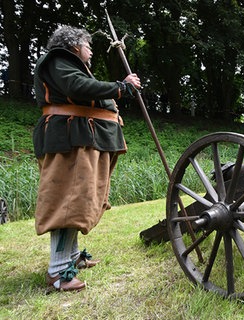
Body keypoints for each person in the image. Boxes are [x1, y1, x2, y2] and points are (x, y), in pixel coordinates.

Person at [32, 25, 141, 292]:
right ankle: (58, 272)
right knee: (67, 200)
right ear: (73, 45)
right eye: (87, 44)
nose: (90, 49)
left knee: (80, 199)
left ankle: (72, 257)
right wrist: (121, 87)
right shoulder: (59, 60)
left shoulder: (67, 63)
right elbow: (77, 87)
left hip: (83, 136)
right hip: (71, 138)